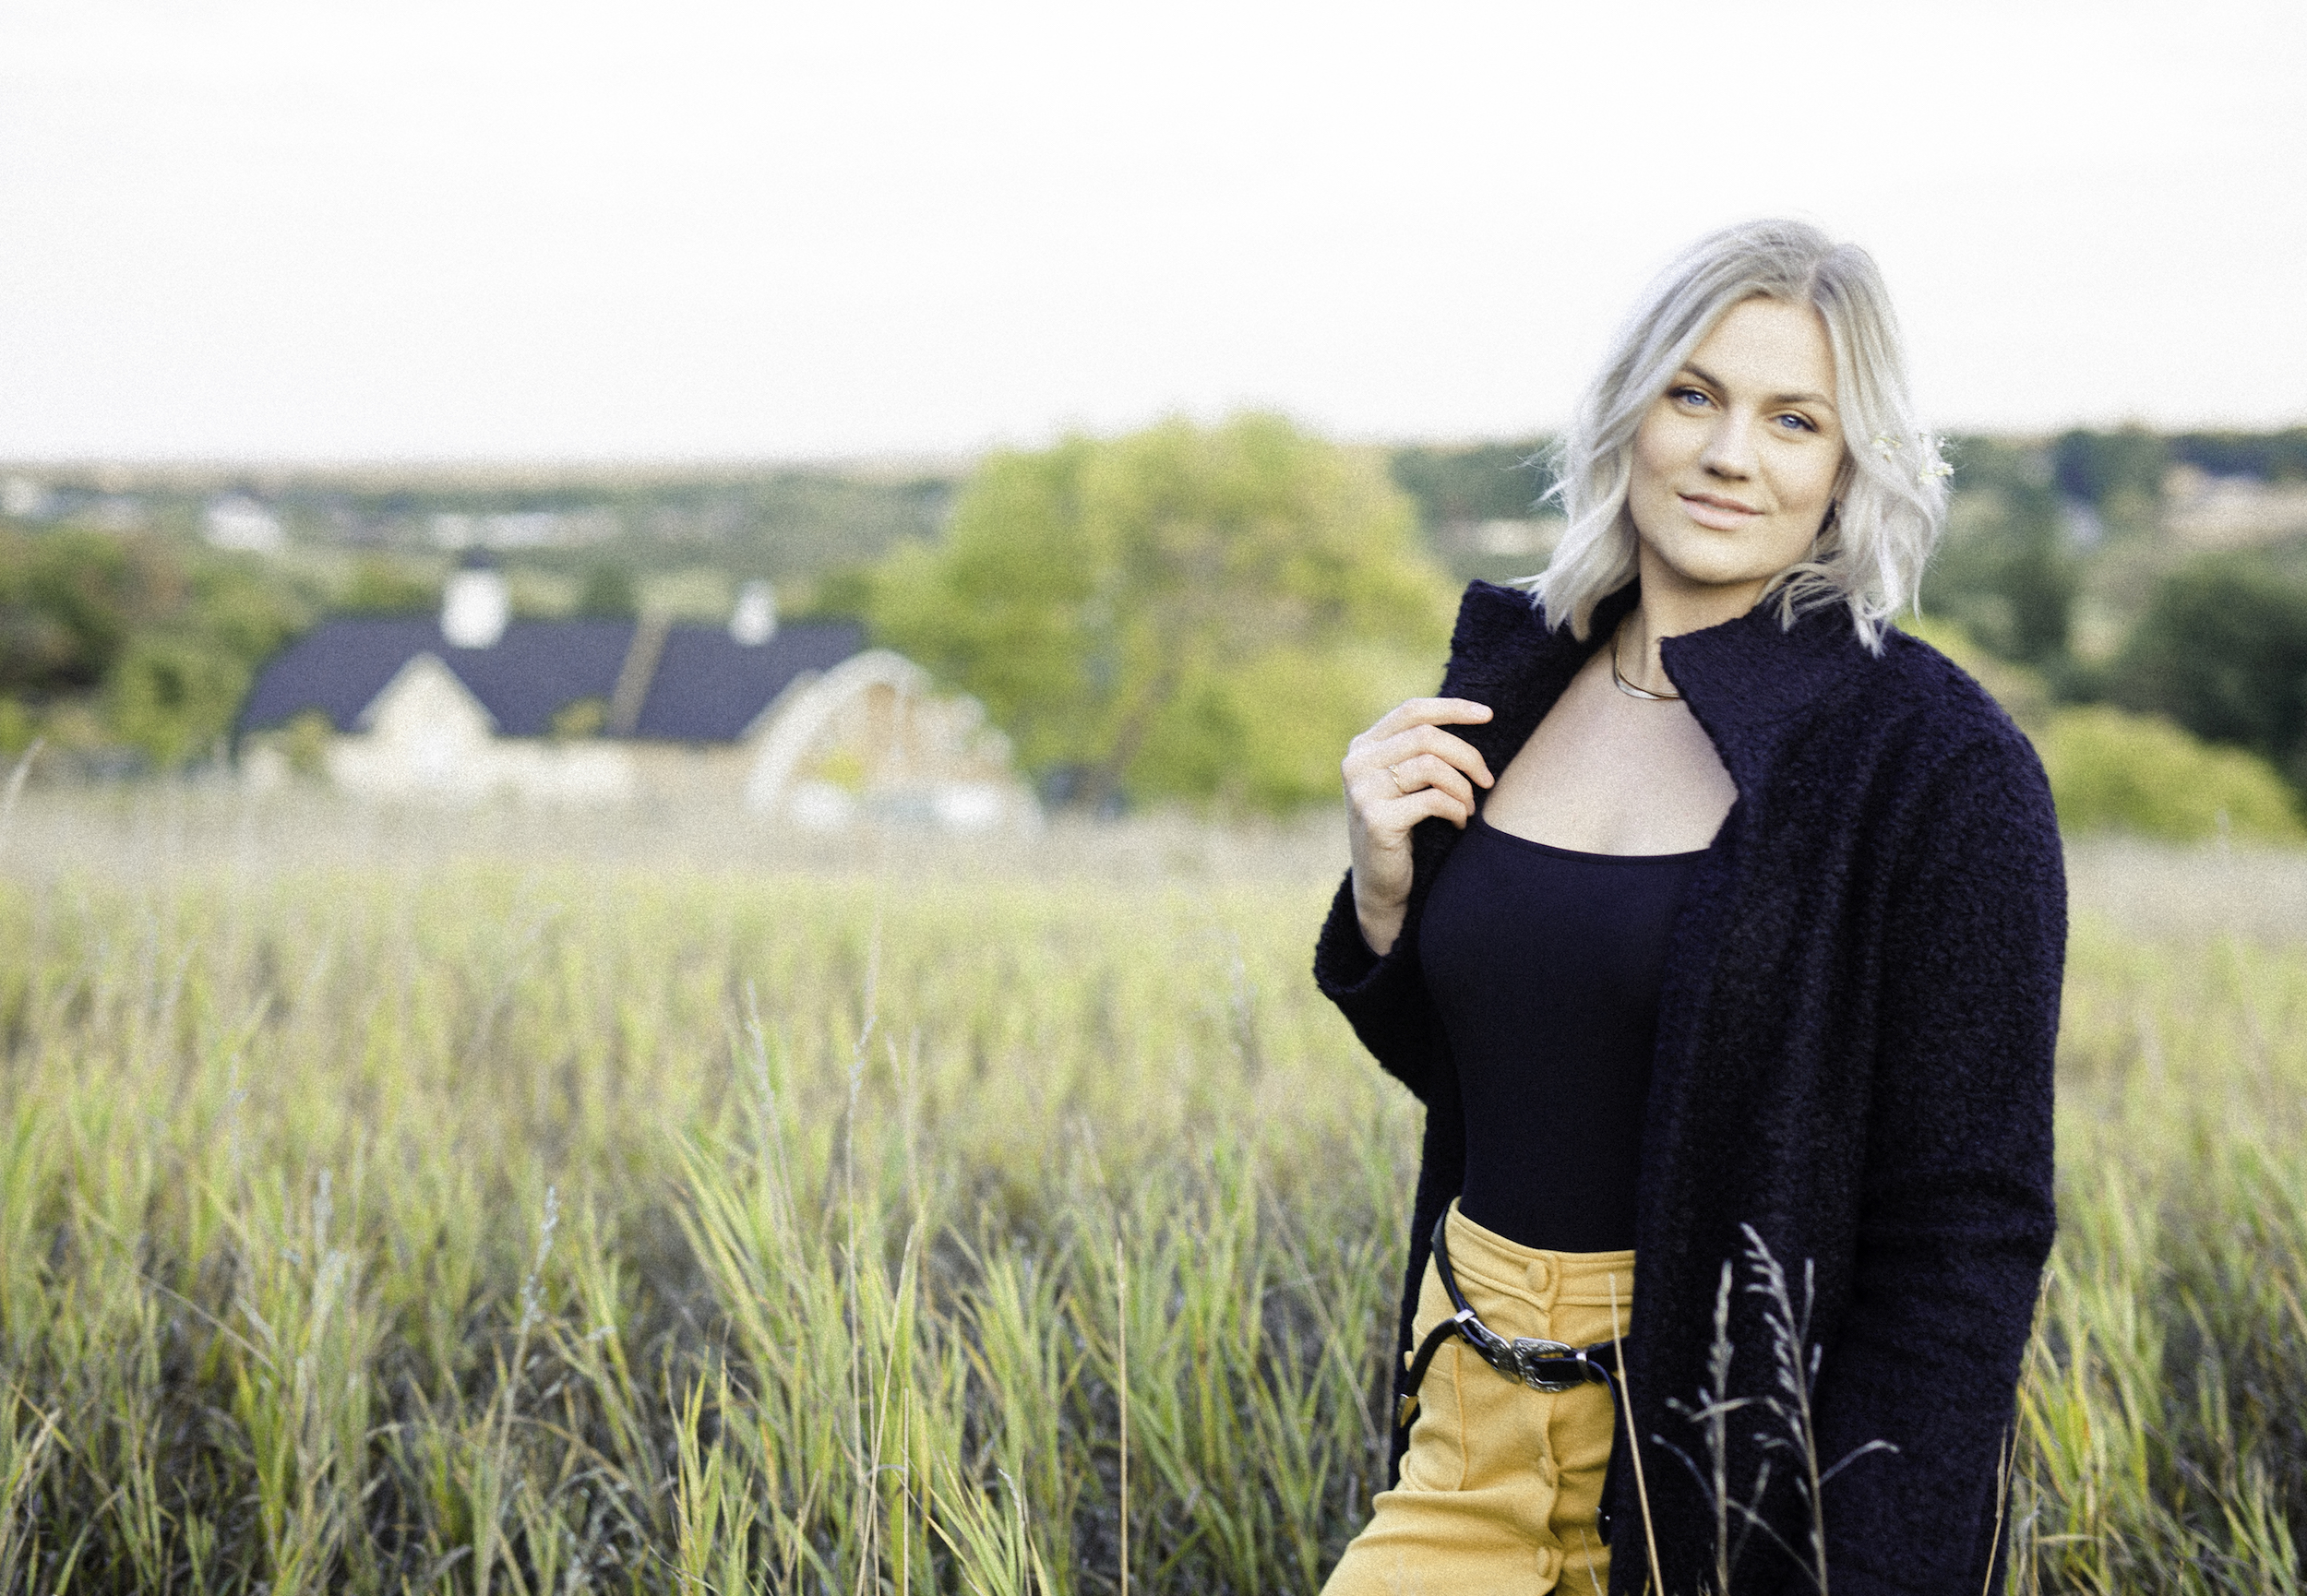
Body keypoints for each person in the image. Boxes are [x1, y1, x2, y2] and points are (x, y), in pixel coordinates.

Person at [1313, 219, 2064, 1596]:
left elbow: (1967, 1232)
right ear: (1630, 409)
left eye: (1794, 418)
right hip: (1467, 1427)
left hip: (1722, 1463)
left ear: (1850, 467)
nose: (1731, 454)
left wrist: (1866, 1560)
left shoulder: (1934, 766)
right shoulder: (1514, 682)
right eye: (1696, 394)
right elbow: (1516, 1068)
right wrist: (1379, 898)